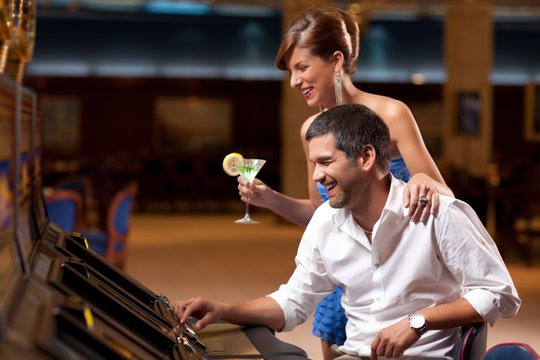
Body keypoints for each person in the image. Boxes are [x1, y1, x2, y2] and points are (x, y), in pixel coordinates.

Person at [176, 104, 520, 360]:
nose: (315, 177)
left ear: (366, 157)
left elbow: (500, 294)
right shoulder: (325, 221)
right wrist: (222, 309)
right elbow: (292, 302)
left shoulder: (438, 212)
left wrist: (418, 321)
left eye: (326, 162)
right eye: (314, 164)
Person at [237, 5, 455, 358]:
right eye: (291, 72)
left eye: (302, 68)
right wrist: (270, 198)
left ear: (336, 61)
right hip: (348, 284)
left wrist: (422, 181)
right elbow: (321, 216)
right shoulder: (311, 130)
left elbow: (446, 196)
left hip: (404, 281)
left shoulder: (391, 114)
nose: (294, 81)